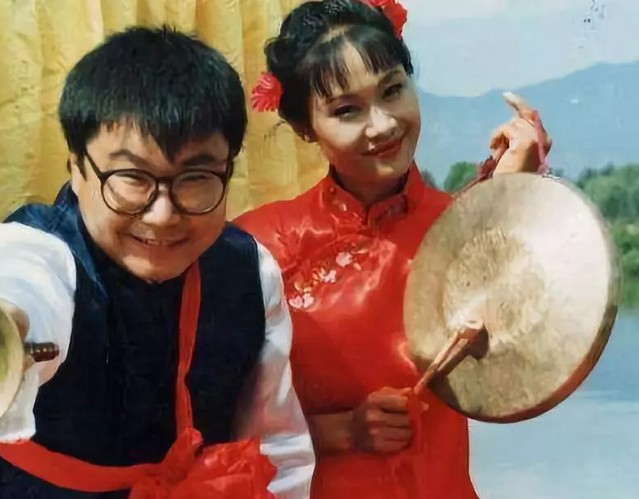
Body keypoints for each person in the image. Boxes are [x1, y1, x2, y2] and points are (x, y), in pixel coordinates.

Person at [0, 26, 315, 499]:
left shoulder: (251, 269)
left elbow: (277, 444)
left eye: (196, 177)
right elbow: (20, 281)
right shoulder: (33, 248)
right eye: (132, 177)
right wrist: (3, 324)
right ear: (76, 166)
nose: (163, 214)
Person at [234, 0, 552, 497]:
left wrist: (509, 202)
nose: (382, 125)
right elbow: (214, 430)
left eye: (392, 90)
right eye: (347, 110)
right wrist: (343, 431)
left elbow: (536, 355)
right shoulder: (258, 247)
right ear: (304, 128)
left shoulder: (463, 226)